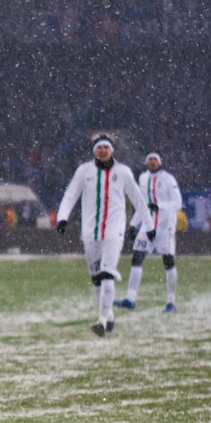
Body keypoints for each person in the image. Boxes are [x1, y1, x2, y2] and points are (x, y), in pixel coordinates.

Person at [57, 135, 155, 336]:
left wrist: (149, 225)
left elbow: (137, 199)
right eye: (99, 147)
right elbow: (70, 195)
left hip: (114, 231)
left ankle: (101, 321)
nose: (103, 151)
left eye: (106, 147)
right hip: (90, 233)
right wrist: (62, 218)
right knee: (96, 279)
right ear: (94, 151)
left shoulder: (123, 172)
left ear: (112, 150)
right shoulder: (84, 171)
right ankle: (108, 313)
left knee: (107, 274)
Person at [115, 151, 182, 312]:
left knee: (168, 261)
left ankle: (170, 302)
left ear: (159, 161)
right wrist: (134, 224)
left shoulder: (168, 179)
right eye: (150, 159)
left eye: (155, 159)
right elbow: (142, 203)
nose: (152, 162)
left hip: (165, 226)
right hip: (147, 225)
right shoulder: (143, 179)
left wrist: (160, 206)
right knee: (137, 257)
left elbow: (178, 202)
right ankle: (130, 299)